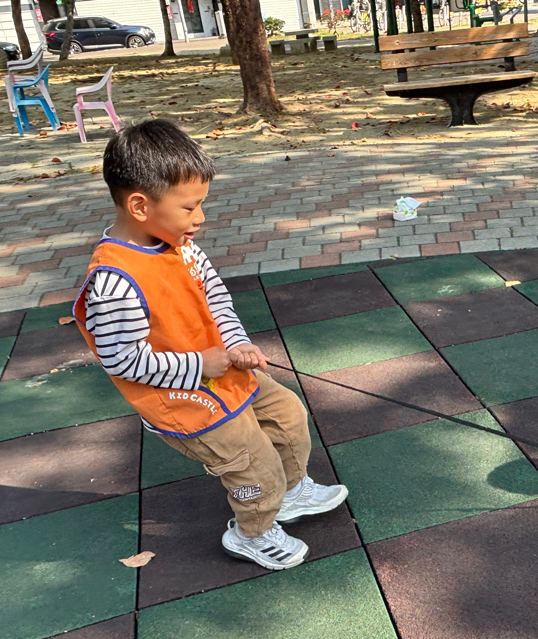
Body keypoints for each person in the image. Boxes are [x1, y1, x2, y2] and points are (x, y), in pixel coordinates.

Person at [72, 119, 347, 571]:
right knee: (253, 464)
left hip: (219, 369)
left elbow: (215, 299)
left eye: (201, 203)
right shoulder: (114, 281)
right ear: (140, 206)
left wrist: (237, 344)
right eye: (189, 206)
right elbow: (120, 360)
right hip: (180, 395)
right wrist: (200, 364)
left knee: (287, 415)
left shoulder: (181, 245)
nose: (200, 217)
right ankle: (252, 533)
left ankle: (291, 492)